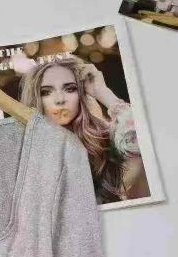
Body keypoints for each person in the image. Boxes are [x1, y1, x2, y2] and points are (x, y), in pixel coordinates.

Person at [12, 54, 149, 203]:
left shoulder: (102, 140)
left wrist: (103, 92)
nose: (60, 100)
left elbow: (147, 141)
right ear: (35, 98)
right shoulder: (22, 152)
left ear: (81, 94)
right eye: (46, 92)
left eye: (70, 89)